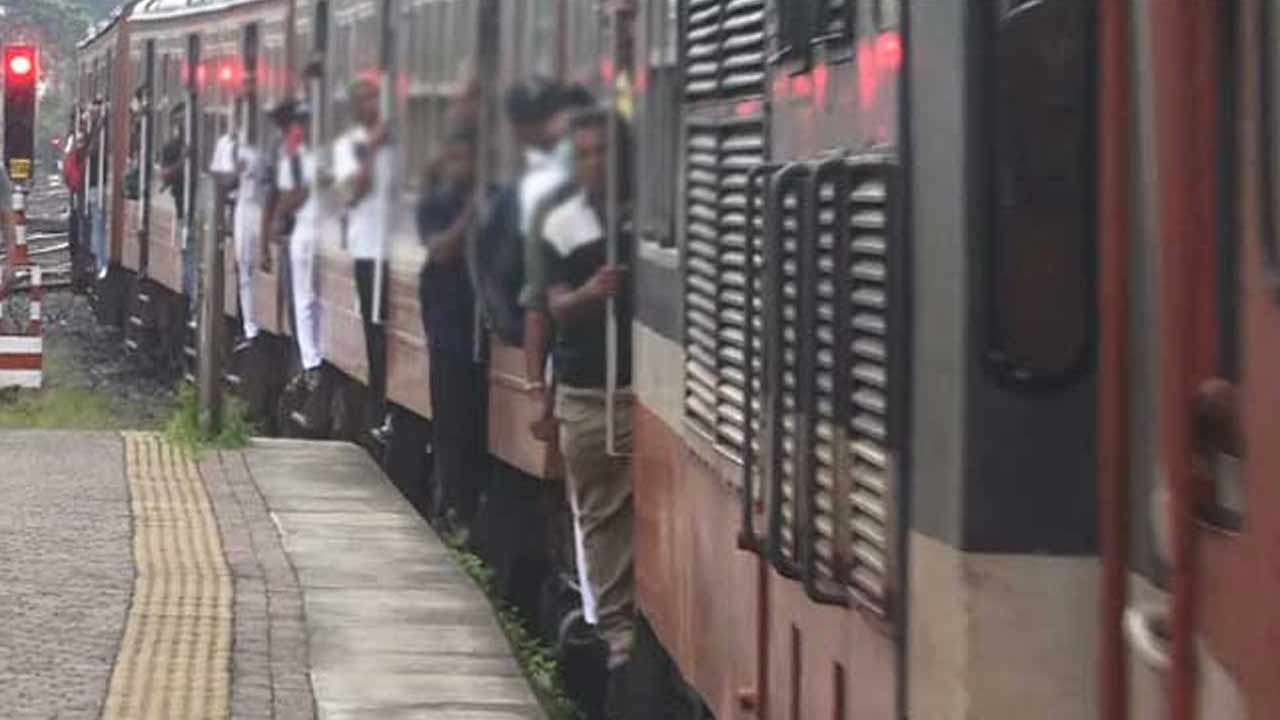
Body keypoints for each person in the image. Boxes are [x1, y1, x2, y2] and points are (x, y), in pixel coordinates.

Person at [539, 109, 636, 715]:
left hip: (639, 390)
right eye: (584, 154)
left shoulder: (642, 219)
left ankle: (629, 629)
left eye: (603, 152)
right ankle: (616, 635)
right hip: (584, 392)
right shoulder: (563, 224)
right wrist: (591, 294)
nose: (593, 164)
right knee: (600, 515)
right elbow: (552, 305)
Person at [417, 126, 488, 536]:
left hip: (481, 325)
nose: (462, 166)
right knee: (449, 416)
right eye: (455, 158)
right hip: (447, 323)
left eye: (468, 158)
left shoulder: (490, 200)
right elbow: (440, 249)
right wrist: (469, 218)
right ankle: (449, 505)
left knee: (476, 420)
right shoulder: (435, 203)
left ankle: (470, 505)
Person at [335, 78, 400, 442]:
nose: (370, 105)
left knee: (391, 333)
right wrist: (372, 150)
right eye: (363, 99)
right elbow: (352, 192)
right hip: (367, 248)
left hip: (394, 248)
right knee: (374, 333)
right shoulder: (350, 146)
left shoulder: (397, 144)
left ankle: (390, 404)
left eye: (374, 97)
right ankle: (377, 406)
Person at [272, 100, 334, 400]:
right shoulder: (313, 159)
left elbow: (289, 197)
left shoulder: (301, 159)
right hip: (314, 229)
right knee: (310, 298)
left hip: (314, 230)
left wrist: (277, 217)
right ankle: (312, 357)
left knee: (307, 298)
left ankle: (313, 358)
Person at [210, 101, 266, 351]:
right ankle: (248, 325)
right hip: (237, 208)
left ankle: (253, 324)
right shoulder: (227, 144)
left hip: (258, 207)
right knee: (242, 267)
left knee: (253, 267)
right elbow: (220, 179)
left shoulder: (260, 144)